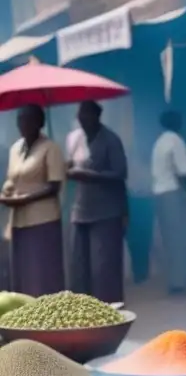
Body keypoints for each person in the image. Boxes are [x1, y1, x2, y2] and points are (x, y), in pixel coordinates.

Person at [66, 100, 129, 304]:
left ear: (97, 116)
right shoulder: (74, 139)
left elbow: (120, 173)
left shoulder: (111, 140)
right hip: (80, 210)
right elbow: (69, 165)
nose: (82, 120)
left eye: (87, 116)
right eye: (80, 116)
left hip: (106, 211)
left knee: (104, 267)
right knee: (79, 266)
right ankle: (85, 311)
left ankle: (110, 309)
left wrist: (90, 175)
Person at [0, 105, 66, 296]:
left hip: (43, 219)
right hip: (19, 220)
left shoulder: (50, 148)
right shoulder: (15, 148)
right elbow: (12, 179)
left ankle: (51, 314)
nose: (24, 124)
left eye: (29, 119)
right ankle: (29, 315)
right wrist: (7, 192)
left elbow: (54, 187)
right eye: (20, 120)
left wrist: (26, 199)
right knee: (23, 270)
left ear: (40, 123)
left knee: (42, 270)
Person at [151, 109, 186, 295]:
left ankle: (174, 279)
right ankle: (179, 283)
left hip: (160, 194)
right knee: (179, 238)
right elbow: (185, 171)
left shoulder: (159, 142)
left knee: (169, 239)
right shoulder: (175, 141)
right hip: (173, 193)